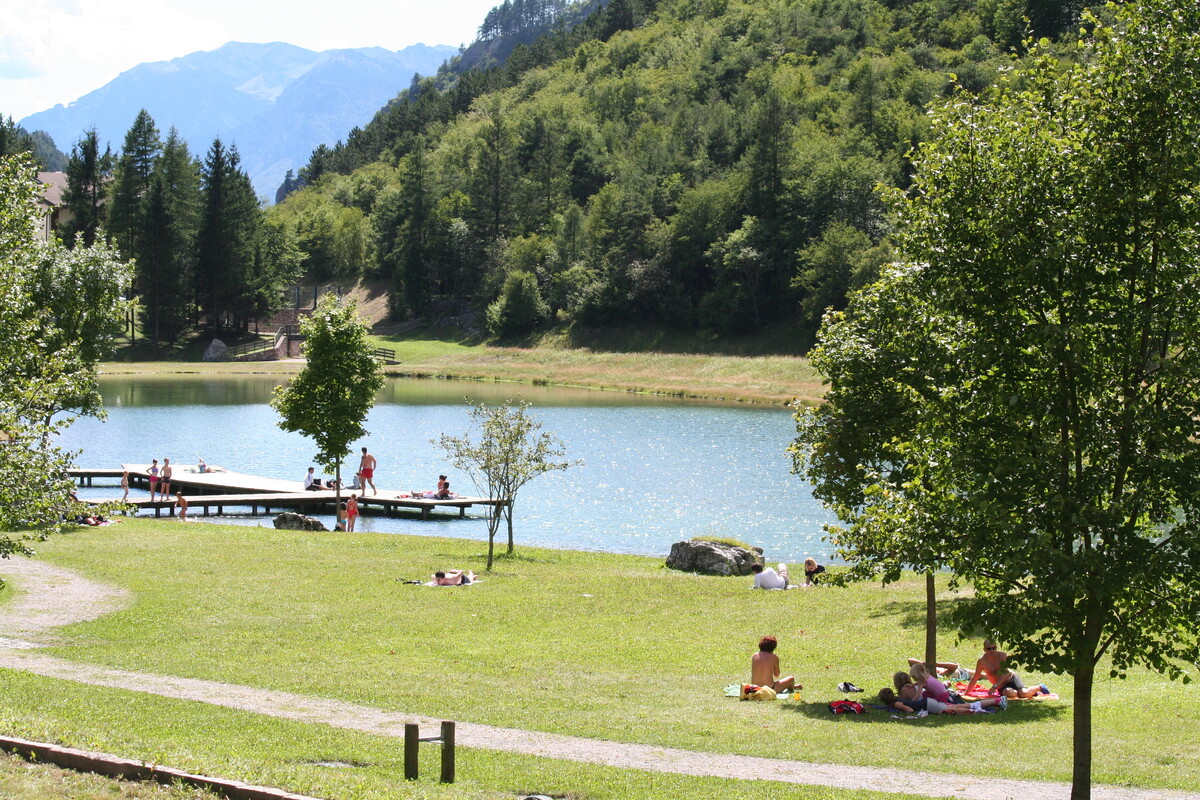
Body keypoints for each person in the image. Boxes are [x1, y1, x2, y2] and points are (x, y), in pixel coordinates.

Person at [965, 639, 1047, 699]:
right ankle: (1029, 693)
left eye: (994, 648)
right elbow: (975, 677)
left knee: (1023, 693)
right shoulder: (982, 661)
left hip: (1011, 678)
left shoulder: (1002, 656)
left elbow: (1004, 673)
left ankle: (1039, 687)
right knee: (1009, 692)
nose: (992, 650)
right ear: (984, 649)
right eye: (989, 649)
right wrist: (966, 693)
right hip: (1001, 686)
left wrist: (994, 686)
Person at [880, 683, 1006, 715]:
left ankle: (996, 702)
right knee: (959, 706)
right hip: (929, 702)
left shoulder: (897, 703)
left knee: (957, 708)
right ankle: (995, 702)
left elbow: (909, 710)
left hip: (929, 705)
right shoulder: (898, 699)